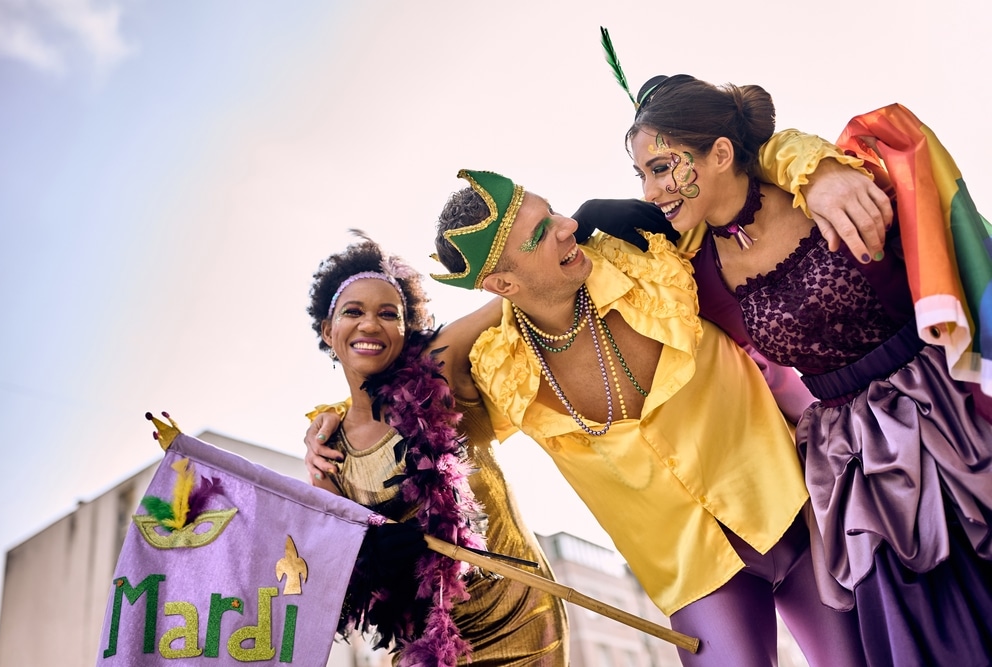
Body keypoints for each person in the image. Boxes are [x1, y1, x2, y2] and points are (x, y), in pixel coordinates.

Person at [589, 74, 992, 666]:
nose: (651, 190)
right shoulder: (689, 273)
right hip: (856, 466)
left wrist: (811, 164)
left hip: (950, 416)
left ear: (721, 153)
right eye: (642, 174)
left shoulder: (830, 179)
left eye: (662, 167)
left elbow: (910, 160)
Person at [431, 168, 870, 667]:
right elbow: (421, 368)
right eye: (540, 232)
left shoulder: (644, 258)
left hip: (797, 510)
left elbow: (735, 182)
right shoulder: (502, 366)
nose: (568, 226)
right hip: (696, 578)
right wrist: (515, 301)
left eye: (556, 212)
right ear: (501, 282)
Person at [303, 234, 569, 666]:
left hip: (519, 617)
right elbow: (346, 570)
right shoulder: (328, 450)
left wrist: (571, 231)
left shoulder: (439, 373)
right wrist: (376, 551)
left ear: (406, 330)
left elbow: (513, 296)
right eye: (353, 311)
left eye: (388, 314)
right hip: (425, 645)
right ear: (328, 331)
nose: (370, 324)